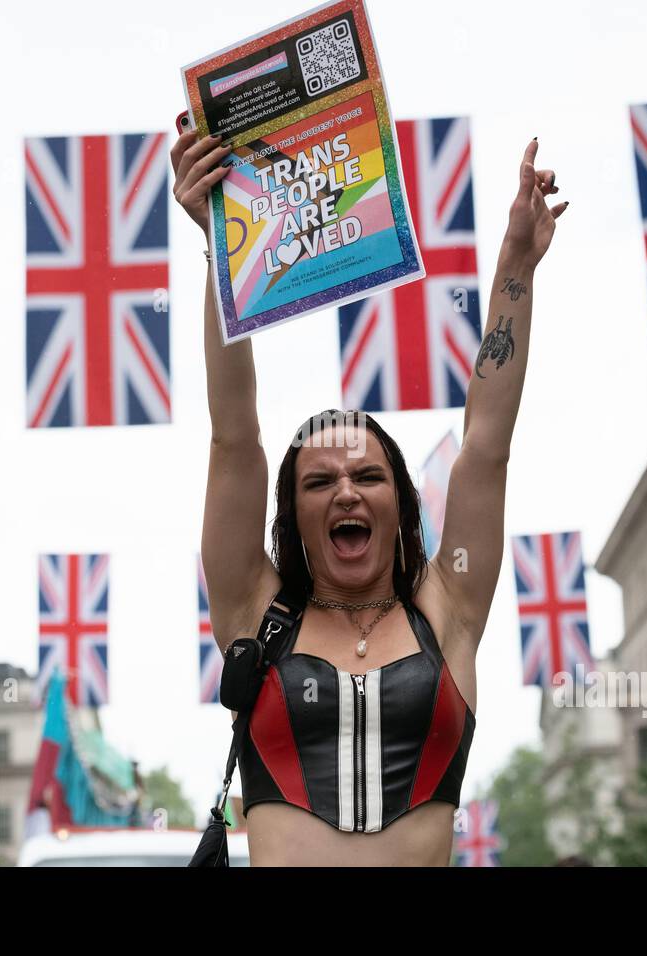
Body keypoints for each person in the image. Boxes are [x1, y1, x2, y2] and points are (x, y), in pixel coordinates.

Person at [172, 128, 567, 866]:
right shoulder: (253, 611)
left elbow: (485, 444)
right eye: (319, 482)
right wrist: (221, 244)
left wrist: (517, 265)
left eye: (368, 476)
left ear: (401, 503)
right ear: (292, 513)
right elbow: (234, 437)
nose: (345, 491)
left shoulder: (448, 611)